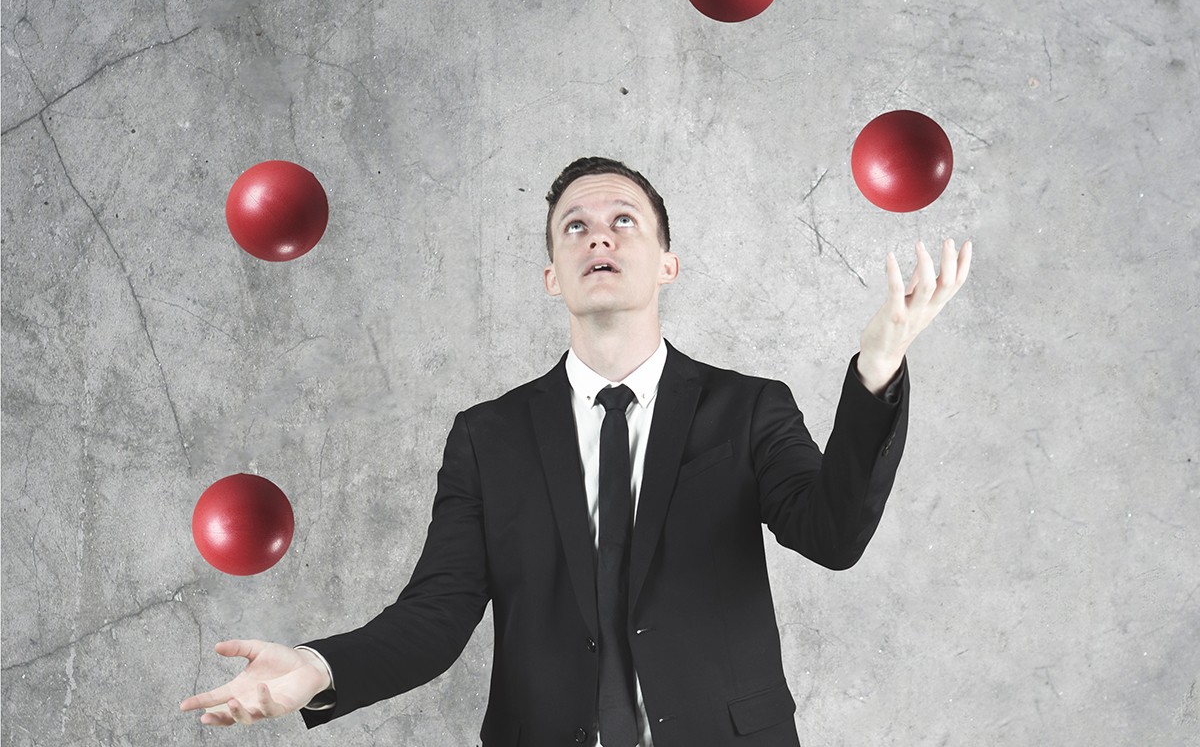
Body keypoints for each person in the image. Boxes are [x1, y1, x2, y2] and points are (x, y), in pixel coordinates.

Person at [181, 157, 971, 745]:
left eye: (625, 220)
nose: (599, 234)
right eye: (575, 226)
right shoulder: (487, 437)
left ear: (667, 264)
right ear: (552, 277)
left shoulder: (749, 407)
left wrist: (877, 370)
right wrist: (318, 666)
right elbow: (436, 614)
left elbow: (833, 535)